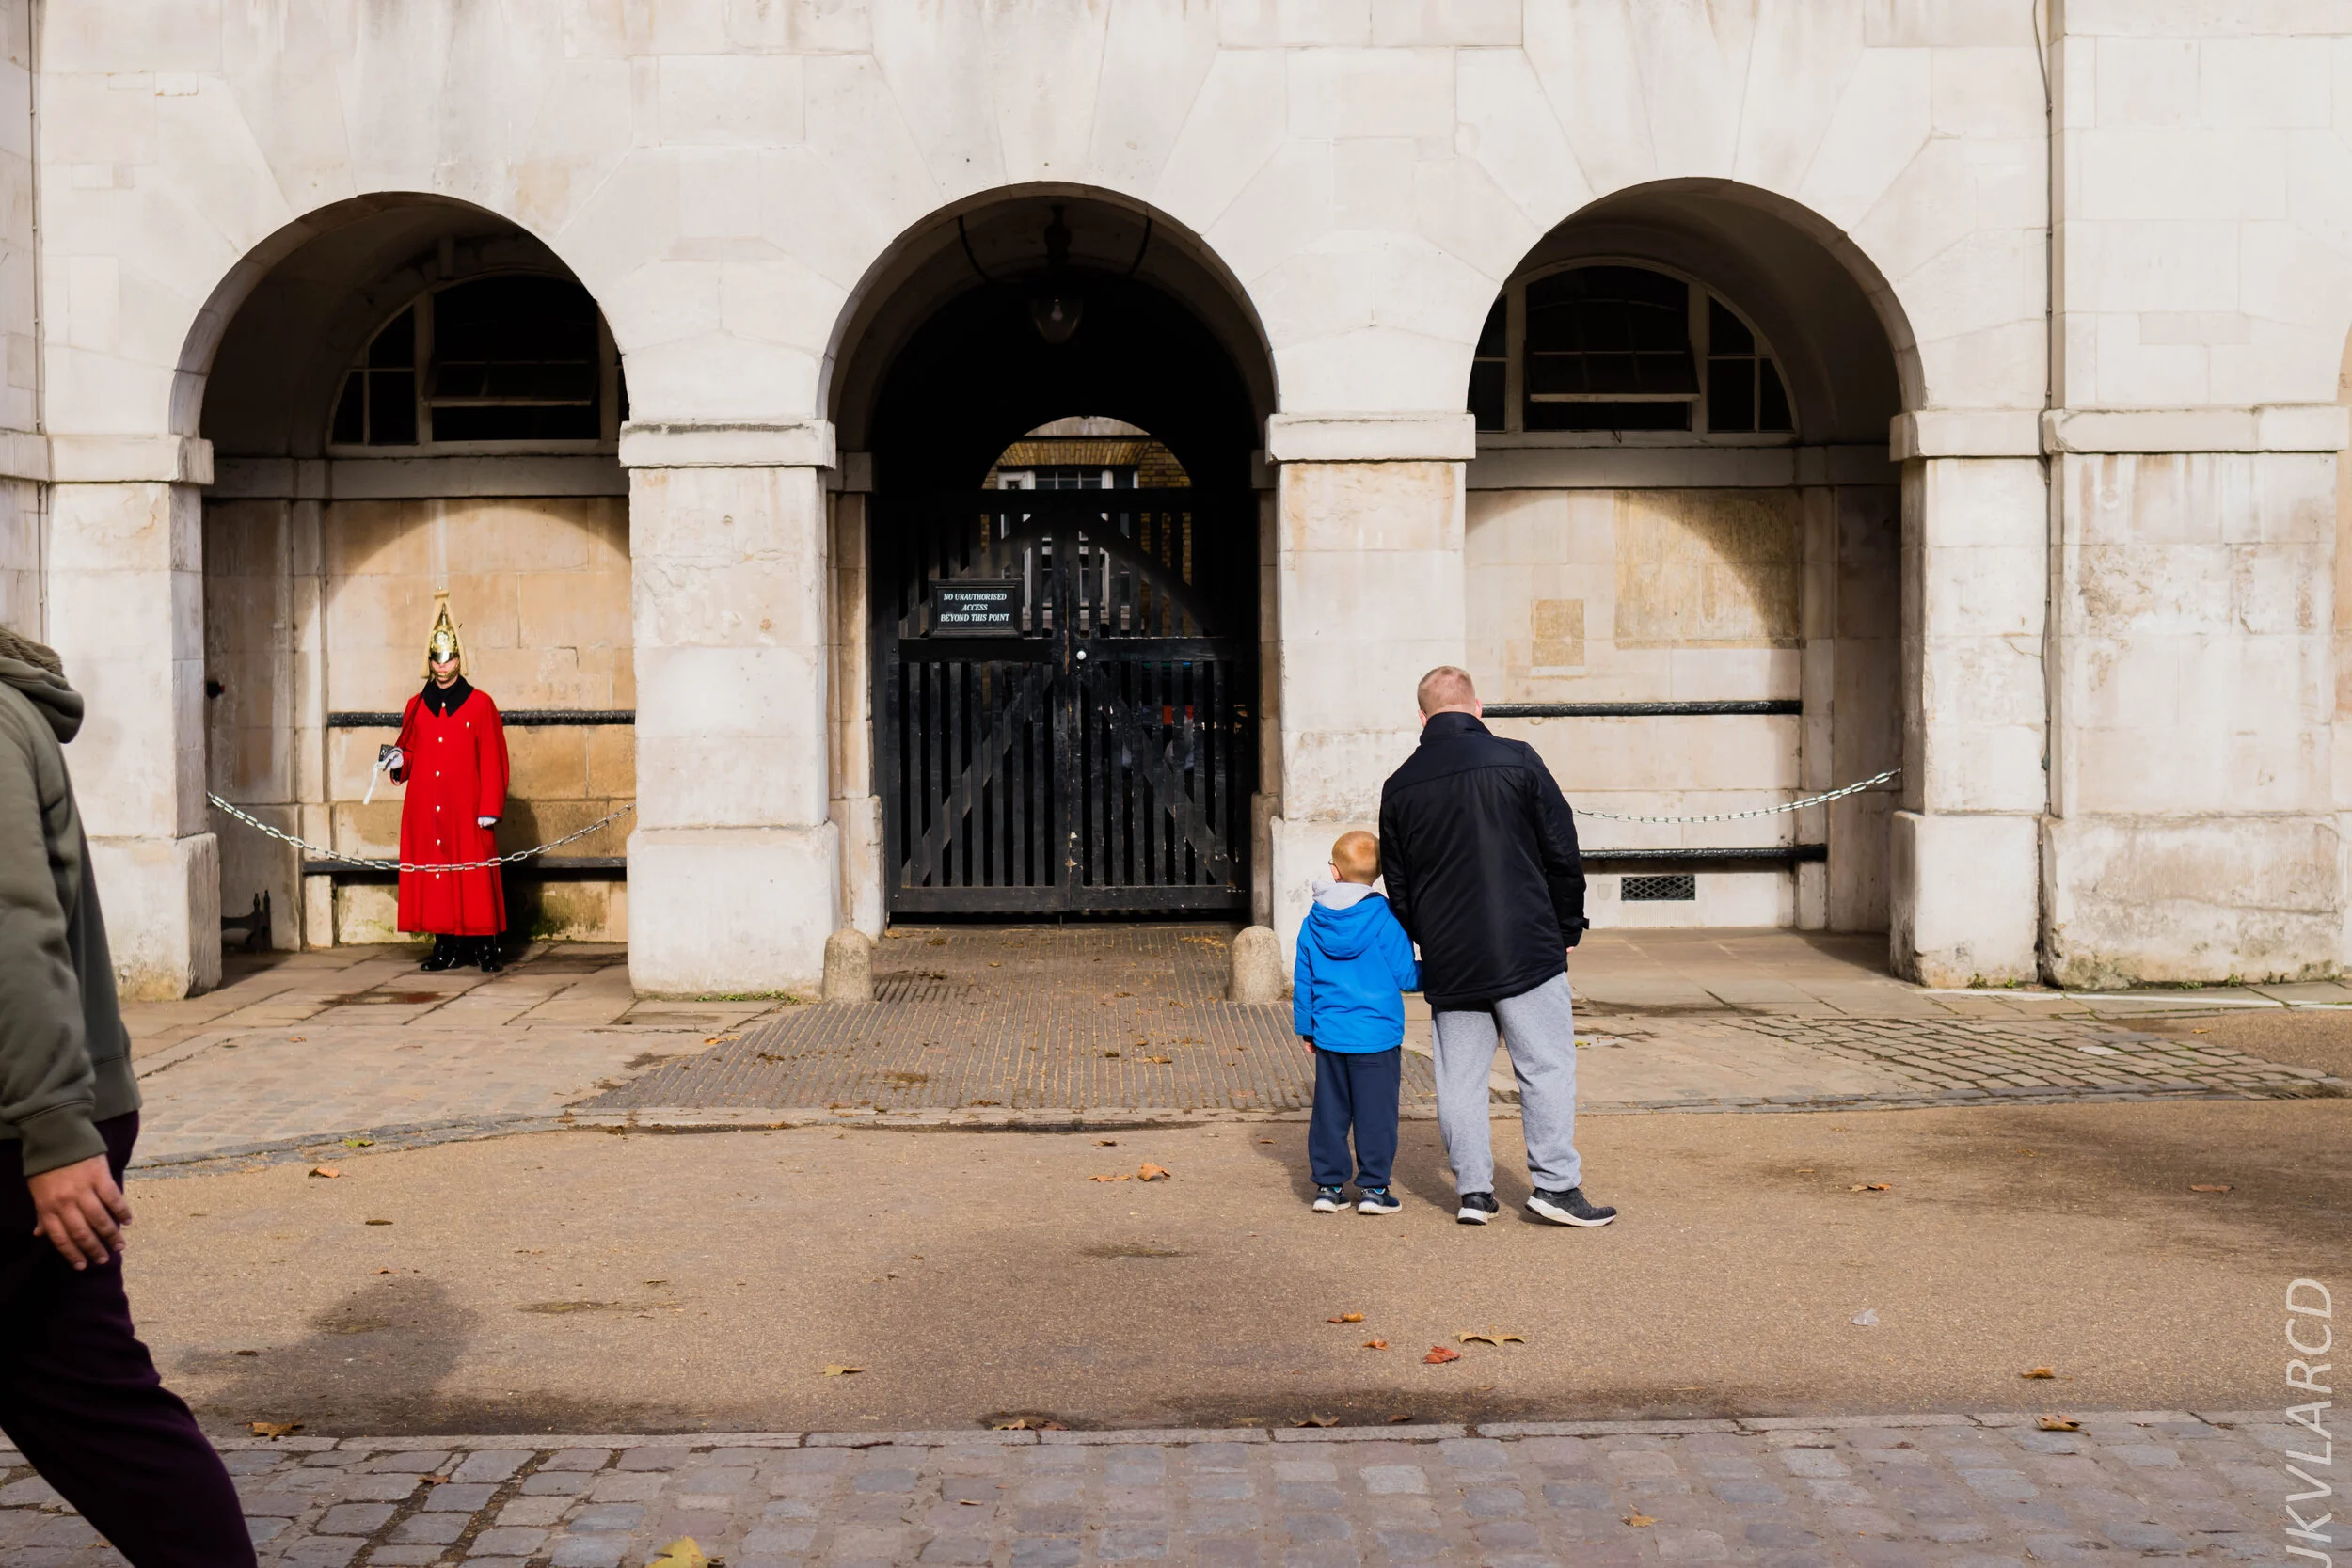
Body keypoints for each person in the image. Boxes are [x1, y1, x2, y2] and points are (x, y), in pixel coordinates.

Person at [0, 624, 256, 1565]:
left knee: (94, 1401)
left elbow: (11, 935)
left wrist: (55, 1132)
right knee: (86, 1402)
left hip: (23, 1122)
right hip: (43, 1114)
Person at [1378, 665, 1616, 1228]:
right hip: (1526, 943)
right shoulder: (1519, 758)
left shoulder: (1399, 785)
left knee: (1459, 1077)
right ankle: (1556, 1187)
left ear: (1421, 717)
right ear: (1478, 708)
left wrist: (1426, 939)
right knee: (1546, 1067)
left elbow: (1399, 885)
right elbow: (1561, 850)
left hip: (1450, 956)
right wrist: (1567, 928)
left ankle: (1474, 1193)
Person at [1293, 831, 1421, 1216]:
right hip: (1377, 1037)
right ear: (1378, 876)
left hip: (1331, 1034)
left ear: (1334, 871)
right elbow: (1407, 978)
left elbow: (1304, 980)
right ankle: (1374, 1188)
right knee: (1376, 1115)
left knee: (1330, 1113)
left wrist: (1307, 1028)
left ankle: (1329, 1186)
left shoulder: (1314, 921)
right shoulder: (1383, 918)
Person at [387, 594, 510, 973]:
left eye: (450, 658)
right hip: (427, 808)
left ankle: (485, 946)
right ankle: (446, 946)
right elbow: (408, 751)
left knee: (473, 877)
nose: (444, 667)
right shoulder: (416, 704)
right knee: (438, 879)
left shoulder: (480, 704)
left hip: (467, 808)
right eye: (438, 660)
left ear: (460, 658)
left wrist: (489, 808)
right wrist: (397, 760)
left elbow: (494, 759)